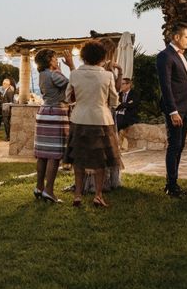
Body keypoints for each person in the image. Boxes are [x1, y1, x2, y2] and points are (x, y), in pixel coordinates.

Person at [64, 41, 122, 208]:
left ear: (84, 57)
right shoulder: (107, 75)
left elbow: (68, 98)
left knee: (79, 160)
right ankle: (98, 195)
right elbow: (114, 101)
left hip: (79, 119)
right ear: (101, 58)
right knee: (100, 161)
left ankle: (77, 196)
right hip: (101, 120)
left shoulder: (75, 74)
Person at [156, 23, 187, 199]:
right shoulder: (164, 56)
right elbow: (166, 86)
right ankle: (171, 185)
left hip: (185, 109)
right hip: (174, 109)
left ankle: (173, 182)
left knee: (180, 146)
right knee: (174, 146)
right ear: (176, 37)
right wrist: (173, 112)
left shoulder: (186, 58)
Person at [33, 49, 75, 203]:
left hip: (44, 113)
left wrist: (59, 70)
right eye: (54, 56)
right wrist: (70, 67)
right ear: (49, 59)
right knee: (54, 155)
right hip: (56, 113)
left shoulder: (43, 74)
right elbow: (73, 83)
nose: (56, 58)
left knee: (43, 154)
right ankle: (49, 191)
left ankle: (39, 187)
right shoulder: (54, 74)